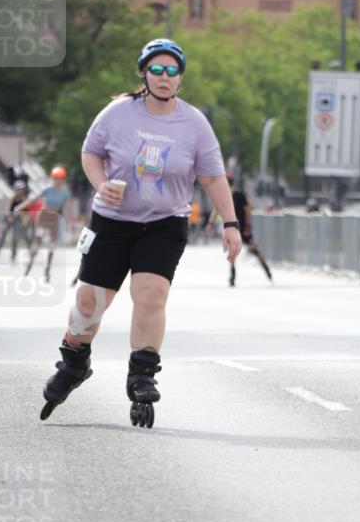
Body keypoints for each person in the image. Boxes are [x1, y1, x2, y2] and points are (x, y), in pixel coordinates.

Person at [39, 37, 242, 423]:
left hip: (164, 223)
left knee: (150, 294)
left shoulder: (194, 123)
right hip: (112, 223)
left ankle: (142, 374)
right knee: (89, 305)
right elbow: (90, 153)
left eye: (173, 71)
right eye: (157, 69)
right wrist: (101, 184)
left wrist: (230, 223)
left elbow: (213, 177)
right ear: (144, 74)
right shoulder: (117, 113)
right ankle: (74, 363)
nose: (165, 77)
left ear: (180, 79)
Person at [211, 175, 272, 287]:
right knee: (233, 251)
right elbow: (217, 209)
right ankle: (233, 274)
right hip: (233, 228)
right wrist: (211, 223)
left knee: (253, 248)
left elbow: (247, 209)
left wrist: (248, 226)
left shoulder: (238, 196)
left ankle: (265, 267)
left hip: (242, 227)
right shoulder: (225, 196)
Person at [19, 166, 72, 283]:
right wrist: (21, 207)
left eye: (60, 178)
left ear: (63, 179)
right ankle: (30, 264)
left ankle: (47, 270)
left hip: (54, 218)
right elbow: (33, 199)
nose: (57, 181)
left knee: (52, 244)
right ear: (52, 179)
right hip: (43, 217)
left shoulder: (65, 192)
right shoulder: (47, 189)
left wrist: (69, 222)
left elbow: (67, 208)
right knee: (38, 239)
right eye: (55, 178)